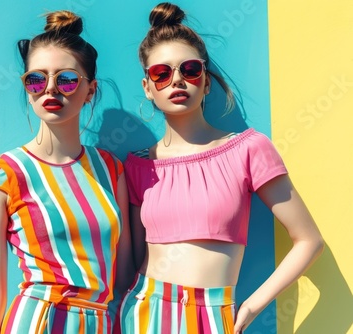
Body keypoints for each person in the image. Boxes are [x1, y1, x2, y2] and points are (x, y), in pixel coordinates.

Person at [115, 2, 324, 333]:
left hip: (215, 316)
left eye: (190, 69)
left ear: (206, 81)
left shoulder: (248, 149)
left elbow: (309, 240)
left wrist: (252, 306)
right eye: (161, 73)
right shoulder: (139, 165)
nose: (177, 80)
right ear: (148, 88)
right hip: (144, 313)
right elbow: (131, 260)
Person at [0, 10, 133, 334]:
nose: (50, 89)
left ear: (90, 90)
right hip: (38, 322)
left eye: (67, 79)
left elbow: (124, 273)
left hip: (101, 323)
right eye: (36, 79)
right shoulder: (2, 175)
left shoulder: (111, 169)